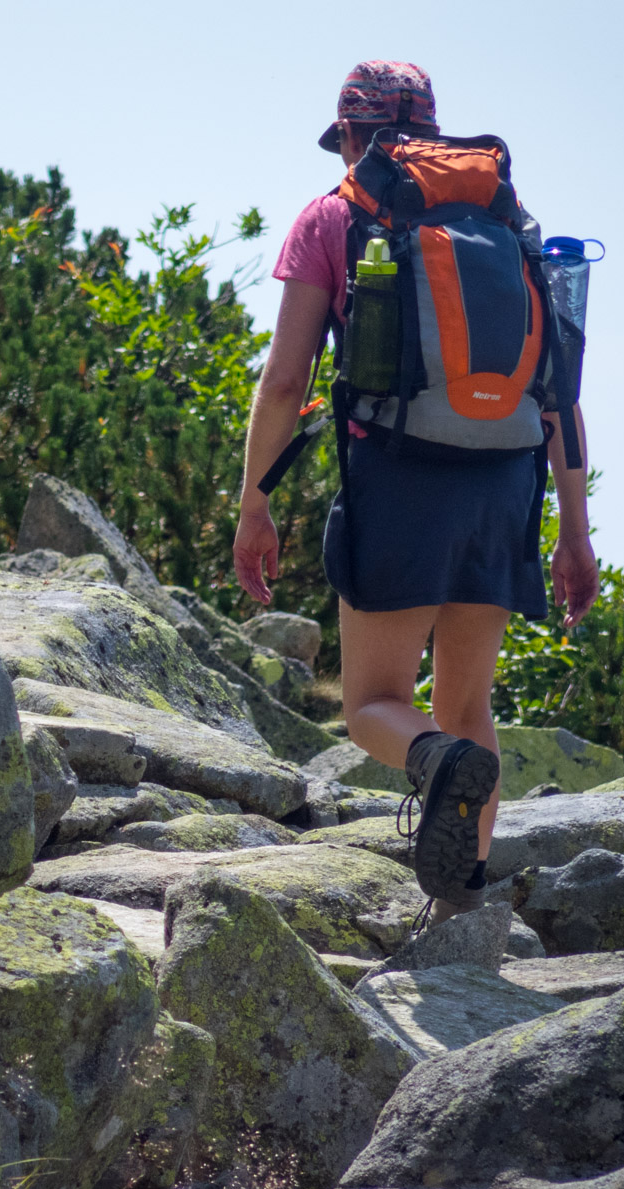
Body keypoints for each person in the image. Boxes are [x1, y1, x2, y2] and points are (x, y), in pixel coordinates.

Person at [232, 60, 599, 922]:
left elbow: (286, 380)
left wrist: (255, 500)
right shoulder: (508, 222)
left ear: (353, 135)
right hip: (504, 481)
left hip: (396, 477)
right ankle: (459, 911)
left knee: (371, 708)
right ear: (433, 128)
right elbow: (558, 392)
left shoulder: (335, 214)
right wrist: (574, 533)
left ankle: (431, 765)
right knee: (470, 706)